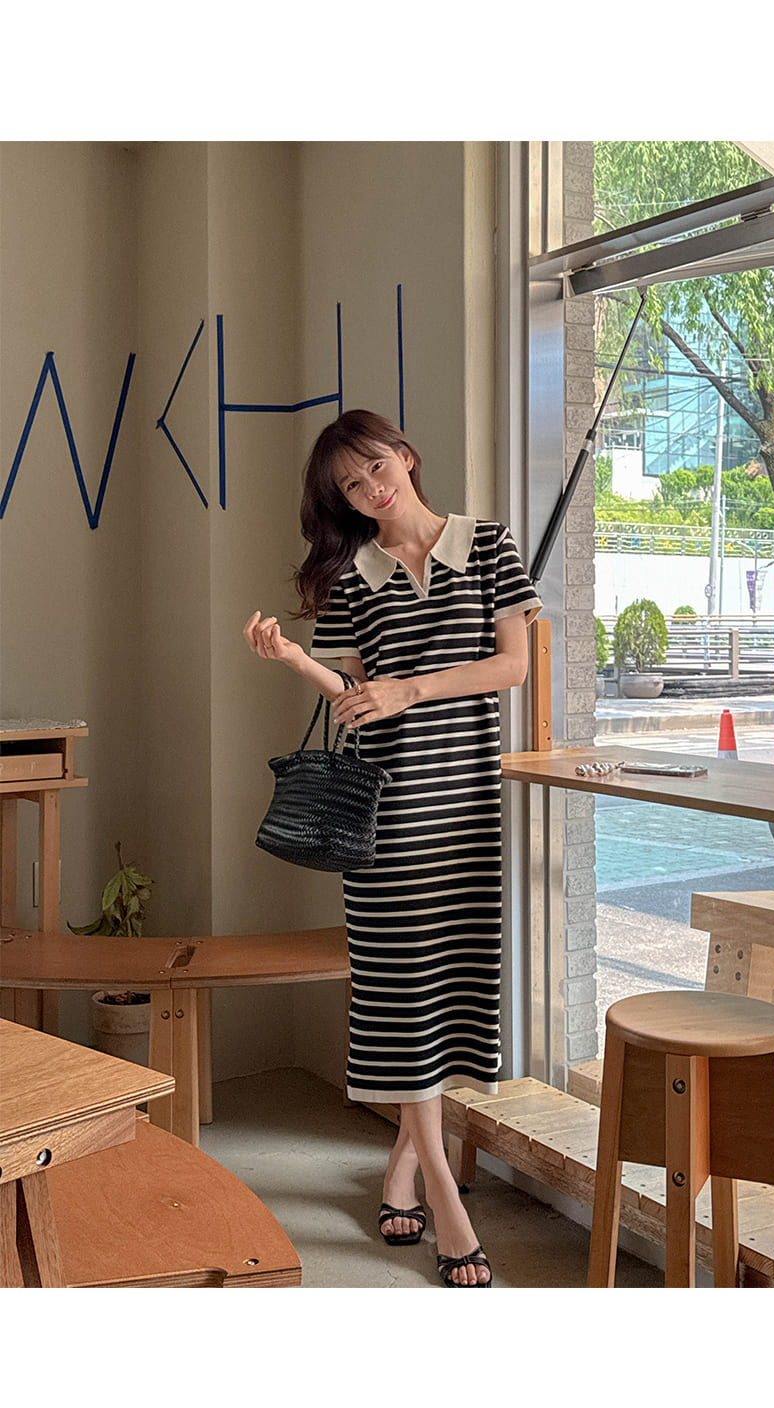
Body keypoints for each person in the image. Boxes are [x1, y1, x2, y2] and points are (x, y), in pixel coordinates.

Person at [243, 408, 542, 1287]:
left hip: (465, 810)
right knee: (400, 996)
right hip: (384, 816)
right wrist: (292, 660)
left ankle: (402, 1166)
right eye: (349, 484)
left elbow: (512, 667)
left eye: (376, 466)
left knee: (448, 988)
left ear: (405, 456)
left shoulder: (488, 544)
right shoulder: (353, 577)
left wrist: (408, 688)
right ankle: (445, 1195)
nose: (369, 488)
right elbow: (349, 692)